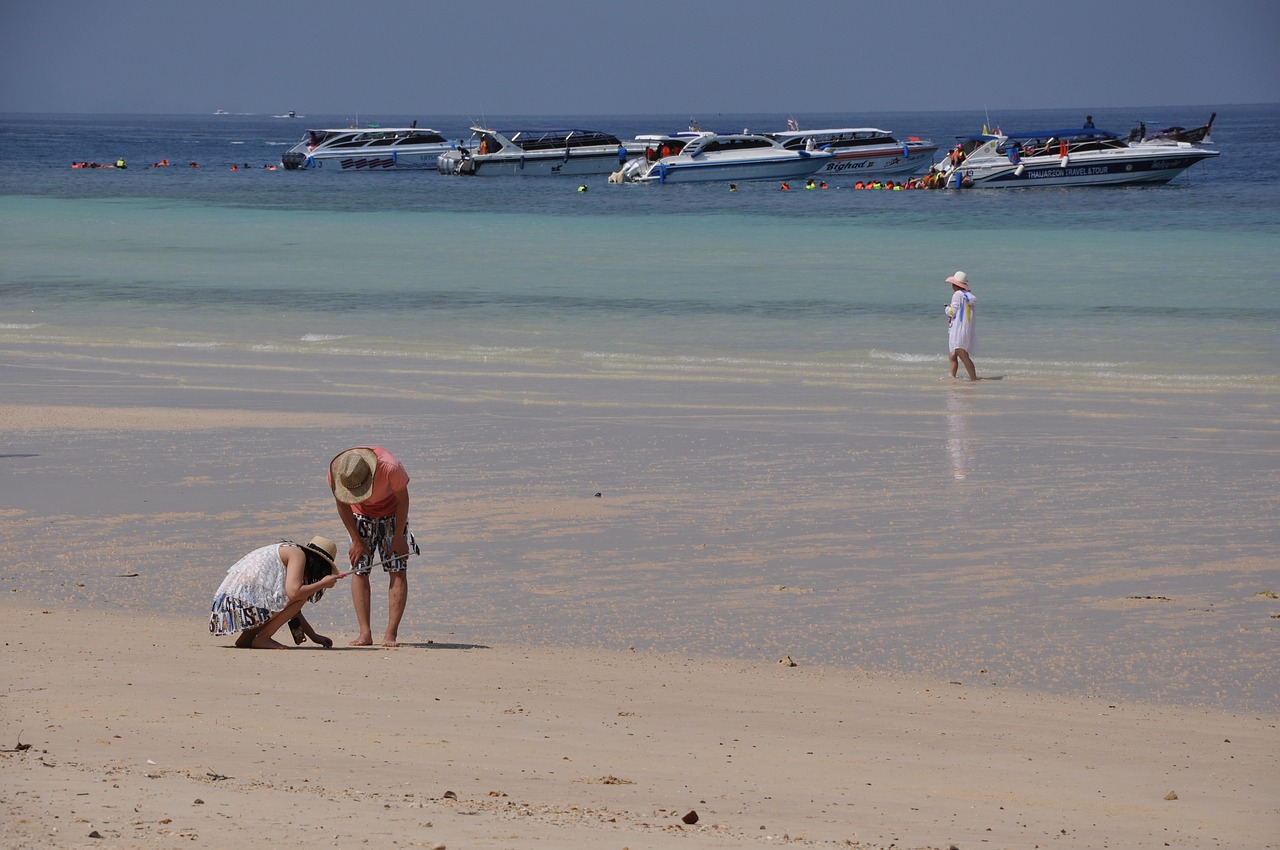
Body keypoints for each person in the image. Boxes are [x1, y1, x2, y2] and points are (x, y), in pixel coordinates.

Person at [328, 447, 417, 647]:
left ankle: (390, 634)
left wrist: (398, 538)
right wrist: (356, 539)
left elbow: (403, 500)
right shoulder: (338, 470)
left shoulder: (390, 467)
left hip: (394, 514)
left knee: (397, 569)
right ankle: (364, 633)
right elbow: (342, 503)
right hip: (359, 515)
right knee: (359, 568)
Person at [209, 536, 344, 649]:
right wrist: (322, 583)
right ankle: (263, 638)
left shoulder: (288, 550)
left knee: (292, 596)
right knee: (300, 595)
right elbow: (295, 594)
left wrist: (314, 636)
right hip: (243, 605)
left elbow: (291, 608)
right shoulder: (298, 555)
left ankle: (247, 637)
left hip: (228, 609)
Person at [944, 271, 978, 380]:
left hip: (958, 328)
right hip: (966, 328)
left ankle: (973, 378)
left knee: (961, 353)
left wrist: (946, 309)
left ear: (955, 285)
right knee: (953, 355)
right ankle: (952, 377)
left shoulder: (957, 295)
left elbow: (953, 312)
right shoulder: (968, 296)